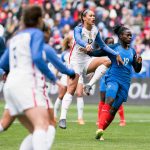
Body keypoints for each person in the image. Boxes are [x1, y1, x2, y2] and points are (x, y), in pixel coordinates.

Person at [0, 5, 75, 150]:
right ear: (39, 19)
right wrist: (55, 79)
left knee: (34, 130)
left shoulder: (16, 38)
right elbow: (37, 57)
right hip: (26, 85)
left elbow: (3, 63)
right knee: (44, 126)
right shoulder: (36, 34)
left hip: (10, 87)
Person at [59, 9, 123, 129]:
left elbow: (103, 46)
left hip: (87, 61)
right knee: (71, 90)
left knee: (107, 61)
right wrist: (85, 45)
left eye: (94, 16)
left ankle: (89, 85)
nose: (93, 17)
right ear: (84, 18)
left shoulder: (95, 30)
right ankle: (62, 118)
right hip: (75, 62)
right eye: (90, 16)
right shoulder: (78, 29)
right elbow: (77, 39)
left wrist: (115, 54)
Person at [87, 24, 142, 140]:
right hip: (113, 78)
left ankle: (100, 131)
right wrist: (88, 51)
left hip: (125, 83)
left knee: (114, 109)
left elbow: (137, 69)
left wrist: (139, 63)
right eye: (128, 35)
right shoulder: (113, 48)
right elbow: (97, 53)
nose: (130, 37)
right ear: (121, 36)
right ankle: (100, 127)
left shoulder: (132, 51)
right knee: (110, 99)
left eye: (131, 35)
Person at [54, 35, 85, 125]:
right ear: (68, 44)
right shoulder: (65, 54)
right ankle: (55, 116)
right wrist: (54, 77)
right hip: (66, 76)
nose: (75, 43)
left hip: (78, 75)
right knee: (61, 96)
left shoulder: (80, 52)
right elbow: (58, 66)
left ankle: (80, 118)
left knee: (79, 94)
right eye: (72, 42)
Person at [98, 37, 126, 127]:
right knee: (103, 100)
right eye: (109, 43)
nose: (111, 44)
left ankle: (122, 120)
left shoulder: (117, 54)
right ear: (105, 44)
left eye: (112, 42)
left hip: (114, 79)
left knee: (115, 100)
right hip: (104, 79)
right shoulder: (102, 54)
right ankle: (100, 120)